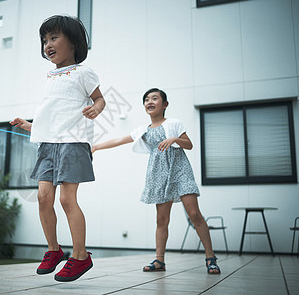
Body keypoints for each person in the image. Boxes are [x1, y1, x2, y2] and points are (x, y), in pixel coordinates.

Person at [10, 15, 105, 282]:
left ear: (73, 42)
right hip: (49, 144)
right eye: (44, 40)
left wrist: (95, 109)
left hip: (73, 142)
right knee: (42, 197)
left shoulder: (83, 72)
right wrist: (29, 125)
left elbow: (100, 99)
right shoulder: (50, 76)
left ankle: (80, 256)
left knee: (66, 199)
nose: (47, 44)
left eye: (54, 38)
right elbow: (52, 117)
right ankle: (54, 249)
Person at [92, 88, 220, 275]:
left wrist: (174, 138)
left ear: (165, 104)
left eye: (154, 98)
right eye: (146, 100)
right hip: (158, 175)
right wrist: (95, 146)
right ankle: (159, 261)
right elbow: (120, 139)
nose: (149, 102)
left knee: (194, 214)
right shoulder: (143, 130)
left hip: (180, 171)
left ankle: (210, 257)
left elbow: (189, 145)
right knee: (161, 219)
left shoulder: (174, 123)